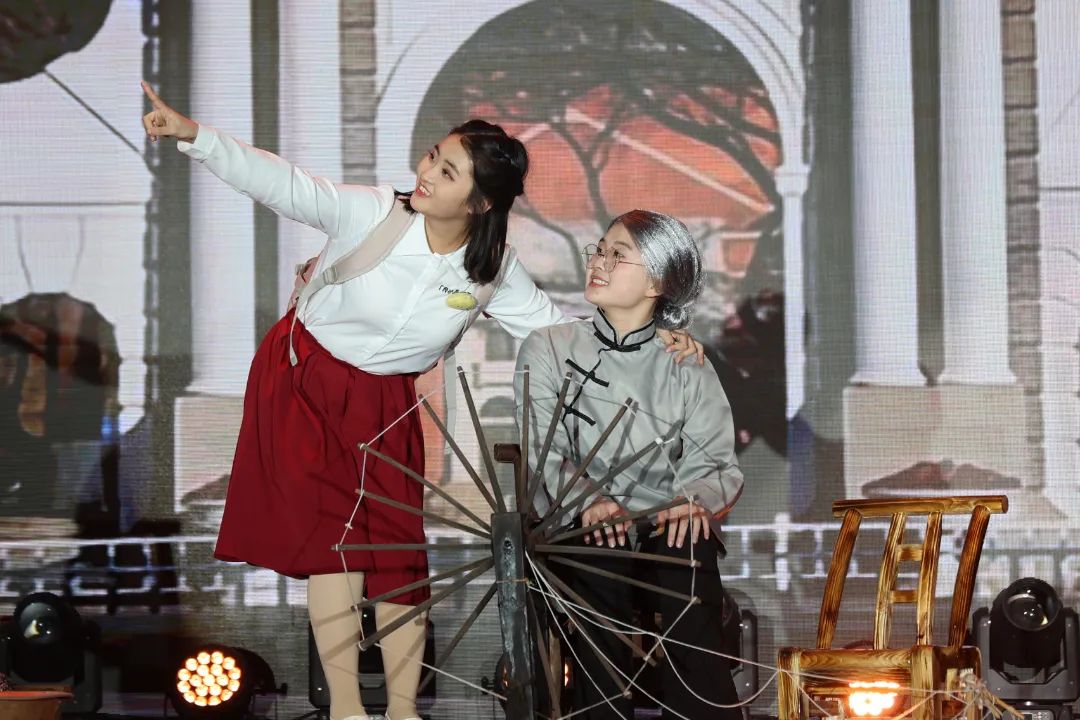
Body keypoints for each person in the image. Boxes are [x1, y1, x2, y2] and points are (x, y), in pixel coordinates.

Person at [140, 83, 704, 720]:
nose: (427, 173)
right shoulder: (372, 212)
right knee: (336, 548)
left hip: (386, 401)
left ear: (480, 202)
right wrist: (194, 136)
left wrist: (652, 336)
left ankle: (405, 710)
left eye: (448, 171)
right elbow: (284, 184)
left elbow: (557, 334)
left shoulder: (492, 270)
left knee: (396, 553)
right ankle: (348, 710)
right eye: (434, 157)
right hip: (304, 380)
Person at [515, 210, 744, 719]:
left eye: (617, 255)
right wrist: (590, 500)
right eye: (599, 249)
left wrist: (692, 502)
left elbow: (716, 461)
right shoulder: (547, 347)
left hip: (665, 520)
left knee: (688, 553)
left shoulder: (685, 362)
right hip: (579, 520)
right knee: (601, 549)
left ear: (657, 283)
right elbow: (542, 448)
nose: (598, 262)